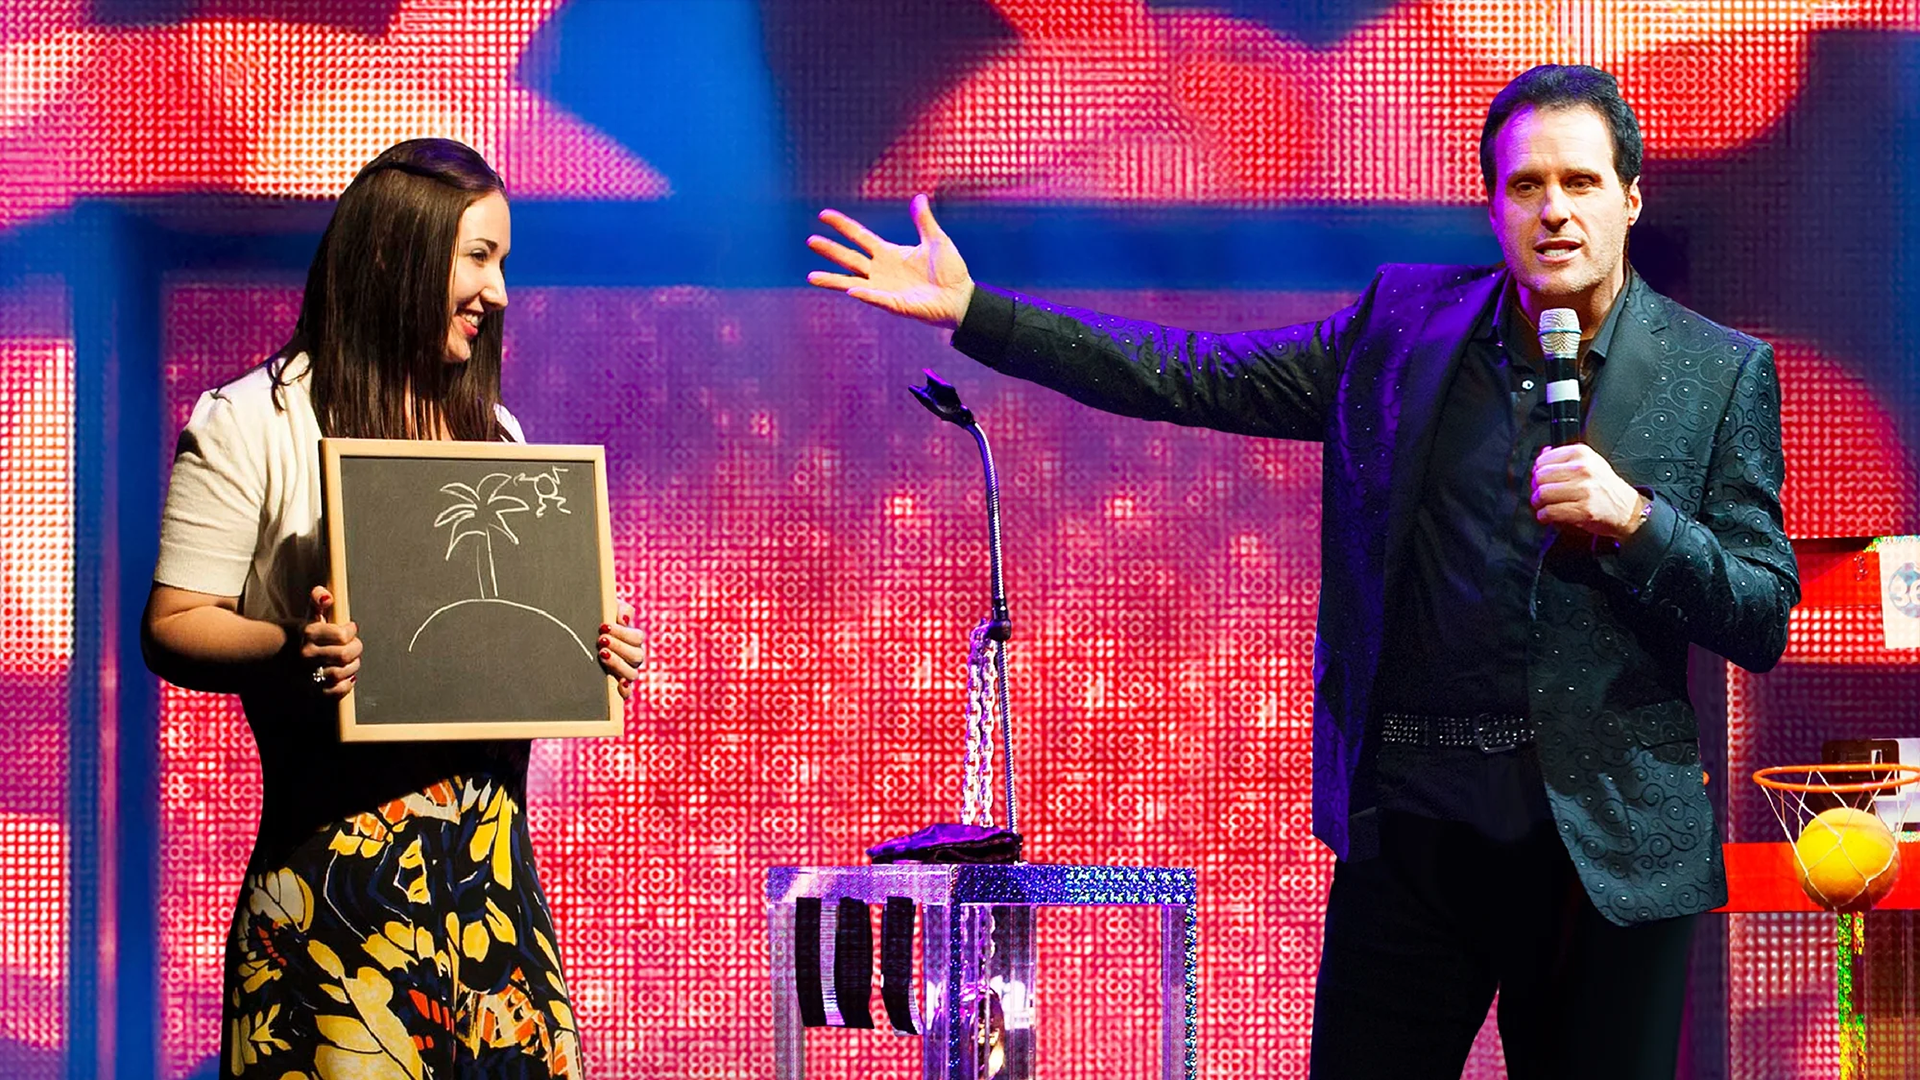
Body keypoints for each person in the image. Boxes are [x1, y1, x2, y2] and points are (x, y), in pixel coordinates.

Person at [807, 65, 1797, 1080]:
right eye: (1527, 186)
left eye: (1581, 184)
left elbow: (1760, 612)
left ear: (1630, 199)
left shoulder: (1716, 372)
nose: (1555, 211)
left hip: (1608, 849)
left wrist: (1637, 519)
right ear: (1490, 206)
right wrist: (980, 315)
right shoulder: (1402, 329)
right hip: (1416, 829)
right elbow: (1192, 371)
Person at [143, 138, 642, 1078]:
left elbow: (495, 638)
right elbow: (172, 624)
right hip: (334, 903)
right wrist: (298, 647)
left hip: (495, 906)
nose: (498, 294)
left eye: (504, 263)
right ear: (393, 255)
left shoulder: (495, 433)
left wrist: (587, 637)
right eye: (479, 257)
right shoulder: (251, 421)